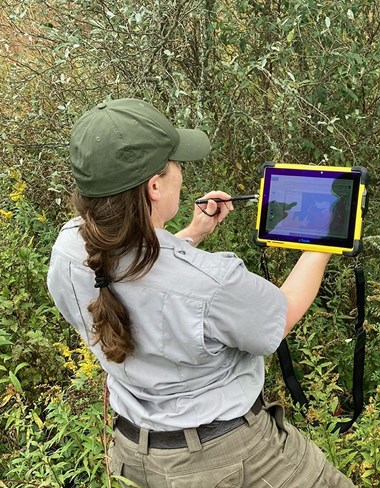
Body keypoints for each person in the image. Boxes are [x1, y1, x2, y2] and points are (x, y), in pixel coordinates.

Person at [47, 98, 356, 487]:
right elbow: (279, 317)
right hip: (228, 458)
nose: (181, 173)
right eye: (176, 164)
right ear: (155, 186)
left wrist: (190, 235)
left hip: (131, 454)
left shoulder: (69, 250)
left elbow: (141, 276)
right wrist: (322, 240)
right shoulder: (213, 282)